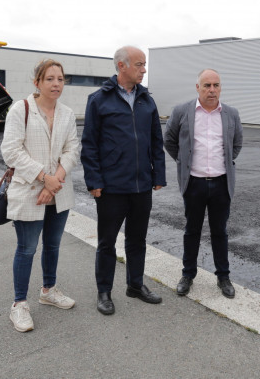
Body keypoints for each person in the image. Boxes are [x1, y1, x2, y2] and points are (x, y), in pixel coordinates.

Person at [81, 45, 166, 316]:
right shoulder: (99, 100)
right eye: (139, 64)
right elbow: (90, 144)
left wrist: (158, 175)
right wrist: (94, 181)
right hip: (112, 188)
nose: (144, 69)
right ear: (122, 66)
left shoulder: (146, 100)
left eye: (144, 65)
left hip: (142, 186)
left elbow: (156, 140)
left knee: (137, 239)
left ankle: (135, 285)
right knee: (107, 242)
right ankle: (104, 292)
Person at [0, 59, 81, 333]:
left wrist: (53, 181)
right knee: (27, 248)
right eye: (50, 79)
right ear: (37, 82)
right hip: (29, 191)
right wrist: (43, 177)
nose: (56, 83)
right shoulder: (20, 109)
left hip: (57, 191)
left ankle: (48, 290)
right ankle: (19, 305)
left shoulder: (67, 114)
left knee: (53, 245)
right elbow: (11, 151)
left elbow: (72, 150)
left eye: (60, 79)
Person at [163, 69, 243, 299]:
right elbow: (169, 140)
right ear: (197, 87)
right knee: (192, 230)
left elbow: (236, 145)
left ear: (220, 88)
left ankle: (223, 277)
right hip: (194, 183)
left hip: (221, 184)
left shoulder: (231, 114)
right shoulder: (182, 111)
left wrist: (225, 163)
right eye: (207, 85)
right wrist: (184, 162)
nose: (212, 90)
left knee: (220, 231)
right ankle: (188, 275)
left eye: (216, 85)